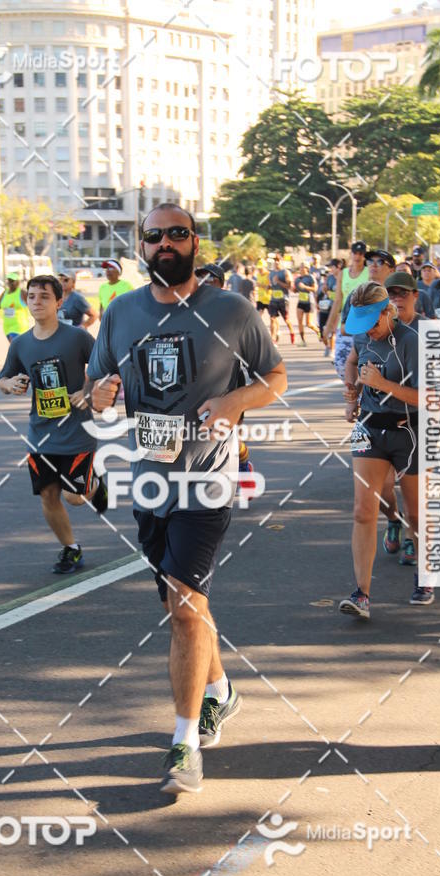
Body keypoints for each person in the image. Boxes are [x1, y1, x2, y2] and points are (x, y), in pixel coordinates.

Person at [87, 202, 287, 794]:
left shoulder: (231, 309)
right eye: (154, 236)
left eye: (178, 234)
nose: (166, 244)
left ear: (195, 242)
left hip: (207, 478)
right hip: (149, 480)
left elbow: (275, 378)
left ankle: (184, 744)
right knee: (185, 606)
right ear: (141, 247)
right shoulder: (121, 312)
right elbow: (94, 388)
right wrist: (99, 395)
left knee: (182, 604)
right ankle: (220, 691)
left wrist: (233, 402)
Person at [0, 274, 108, 573]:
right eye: (32, 296)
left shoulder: (77, 338)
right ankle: (71, 548)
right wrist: (10, 384)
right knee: (48, 494)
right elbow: (3, 379)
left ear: (59, 302)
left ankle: (96, 484)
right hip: (40, 434)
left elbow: (105, 369)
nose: (36, 302)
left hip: (77, 432)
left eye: (44, 296)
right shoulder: (20, 344)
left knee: (74, 497)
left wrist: (86, 391)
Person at [341, 280, 433, 620]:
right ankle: (361, 594)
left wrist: (382, 385)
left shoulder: (412, 341)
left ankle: (425, 576)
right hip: (368, 427)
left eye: (373, 323)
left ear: (387, 312)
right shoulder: (362, 337)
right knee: (362, 510)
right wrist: (352, 392)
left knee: (416, 513)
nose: (368, 331)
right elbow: (353, 362)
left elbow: (429, 398)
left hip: (410, 431)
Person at [195, 262, 255, 491]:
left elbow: (251, 347)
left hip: (229, 382)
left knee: (229, 435)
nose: (204, 284)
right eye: (200, 279)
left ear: (221, 284)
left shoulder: (234, 310)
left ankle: (243, 465)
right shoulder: (187, 310)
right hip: (195, 383)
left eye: (209, 280)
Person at [325, 240, 369, 378]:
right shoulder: (343, 274)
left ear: (364, 256)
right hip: (345, 325)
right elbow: (338, 301)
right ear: (351, 254)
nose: (357, 256)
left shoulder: (369, 273)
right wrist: (328, 326)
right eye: (355, 253)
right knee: (340, 363)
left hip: (363, 326)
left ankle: (360, 389)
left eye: (361, 254)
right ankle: (353, 387)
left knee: (363, 364)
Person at [0, 273, 31, 342]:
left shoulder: (22, 293)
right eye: (9, 281)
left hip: (19, 326)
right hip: (7, 326)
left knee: (15, 345)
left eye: (12, 281)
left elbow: (33, 304)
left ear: (18, 282)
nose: (10, 283)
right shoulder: (5, 293)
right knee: (15, 346)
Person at [318, 259, 341, 357]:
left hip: (338, 307)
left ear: (338, 267)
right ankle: (327, 346)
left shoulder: (343, 277)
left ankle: (332, 349)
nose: (330, 269)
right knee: (323, 328)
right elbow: (325, 288)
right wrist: (325, 289)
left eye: (332, 267)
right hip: (327, 305)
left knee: (334, 329)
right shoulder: (330, 277)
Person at [268, 261, 294, 344]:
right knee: (272, 318)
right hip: (273, 299)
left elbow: (289, 286)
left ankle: (292, 332)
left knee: (286, 319)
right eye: (275, 260)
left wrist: (278, 281)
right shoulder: (271, 273)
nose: (276, 262)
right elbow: (271, 285)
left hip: (283, 300)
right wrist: (269, 287)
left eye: (278, 261)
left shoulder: (285, 272)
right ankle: (273, 339)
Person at [294, 264, 320, 345]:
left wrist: (305, 287)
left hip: (309, 301)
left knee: (308, 323)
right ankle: (303, 340)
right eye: (300, 267)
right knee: (299, 320)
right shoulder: (297, 279)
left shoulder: (310, 277)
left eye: (303, 267)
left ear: (307, 269)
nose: (301, 269)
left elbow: (315, 289)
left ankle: (318, 331)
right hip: (301, 301)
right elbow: (295, 290)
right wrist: (294, 289)